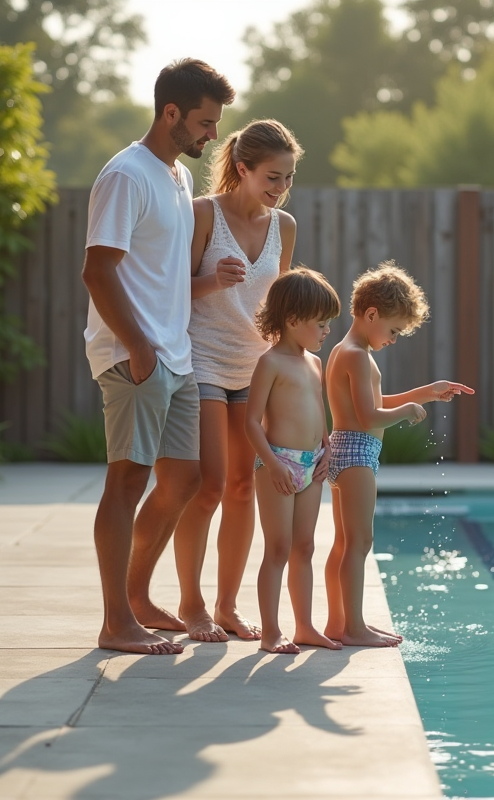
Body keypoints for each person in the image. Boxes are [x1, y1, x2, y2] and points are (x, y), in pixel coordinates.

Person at [80, 59, 235, 655]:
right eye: (204, 122)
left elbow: (164, 276)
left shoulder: (177, 177)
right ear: (171, 113)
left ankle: (138, 598)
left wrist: (207, 290)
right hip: (135, 356)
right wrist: (139, 346)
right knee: (127, 482)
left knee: (185, 478)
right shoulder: (127, 175)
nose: (213, 135)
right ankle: (116, 622)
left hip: (177, 356)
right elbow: (98, 271)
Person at [172, 120, 311, 643]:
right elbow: (171, 291)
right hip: (203, 360)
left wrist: (296, 362)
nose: (281, 188)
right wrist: (213, 280)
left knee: (241, 487)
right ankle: (192, 605)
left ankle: (227, 607)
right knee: (208, 485)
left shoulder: (284, 226)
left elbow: (280, 307)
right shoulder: (202, 214)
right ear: (243, 168)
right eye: (273, 177)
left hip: (256, 368)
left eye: (289, 178)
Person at [323, 262, 474, 647]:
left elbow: (375, 402)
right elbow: (369, 416)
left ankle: (339, 623)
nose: (393, 339)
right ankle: (353, 628)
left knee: (345, 543)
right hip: (356, 453)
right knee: (359, 542)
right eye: (393, 330)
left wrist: (427, 392)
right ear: (372, 314)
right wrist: (407, 413)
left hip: (348, 449)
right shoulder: (357, 355)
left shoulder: (348, 350)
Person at [244, 268, 344, 654]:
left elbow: (319, 413)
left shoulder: (314, 364)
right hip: (279, 464)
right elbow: (251, 422)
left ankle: (305, 626)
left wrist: (327, 448)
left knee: (305, 547)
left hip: (312, 463)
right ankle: (270, 632)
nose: (327, 331)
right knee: (278, 548)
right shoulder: (270, 363)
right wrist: (271, 463)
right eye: (321, 323)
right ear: (292, 320)